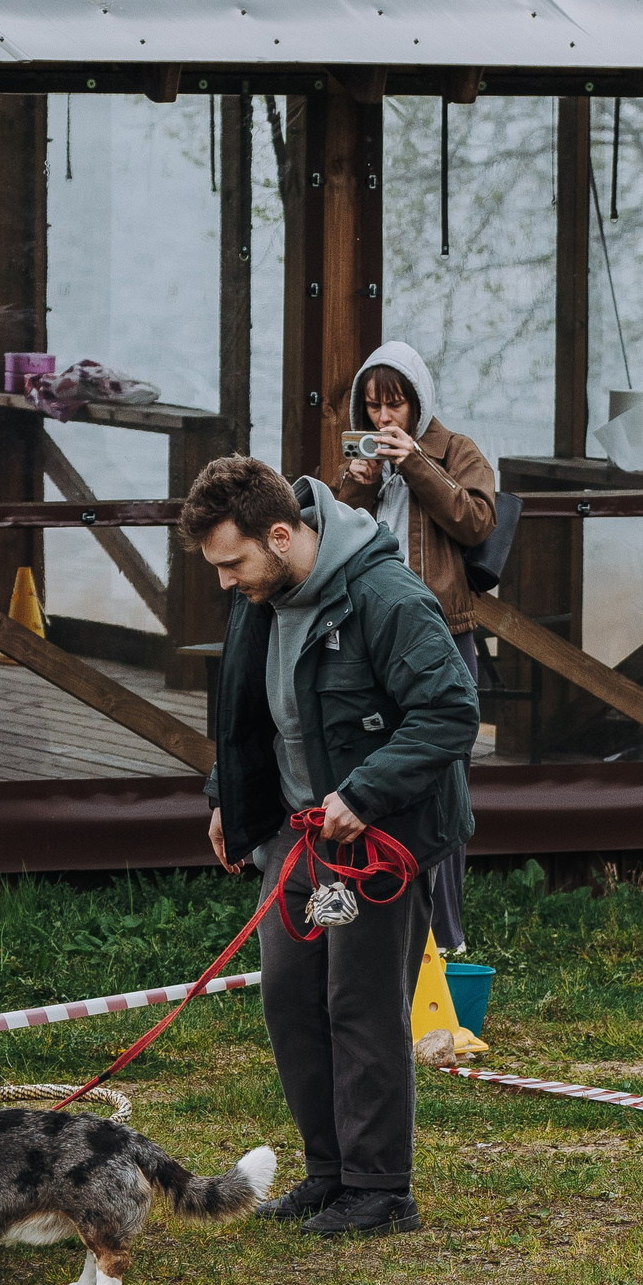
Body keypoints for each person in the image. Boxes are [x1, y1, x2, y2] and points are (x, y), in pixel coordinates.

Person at [186, 456, 479, 1237]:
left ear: (281, 535)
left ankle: (382, 1190)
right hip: (296, 831)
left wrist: (365, 792)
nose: (224, 582)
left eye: (231, 563)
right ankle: (328, 1174)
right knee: (288, 994)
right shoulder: (262, 592)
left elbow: (450, 713)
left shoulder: (386, 598)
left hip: (380, 834)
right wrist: (226, 794)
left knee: (360, 1002)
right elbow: (251, 713)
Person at [326, 343, 497, 951]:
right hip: (371, 640)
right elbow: (329, 540)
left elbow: (477, 522)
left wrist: (418, 463)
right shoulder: (363, 456)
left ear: (418, 400)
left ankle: (443, 936)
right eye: (371, 408)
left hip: (444, 635)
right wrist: (359, 484)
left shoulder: (458, 451)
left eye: (393, 404)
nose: (383, 421)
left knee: (442, 782)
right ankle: (374, 926)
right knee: (374, 776)